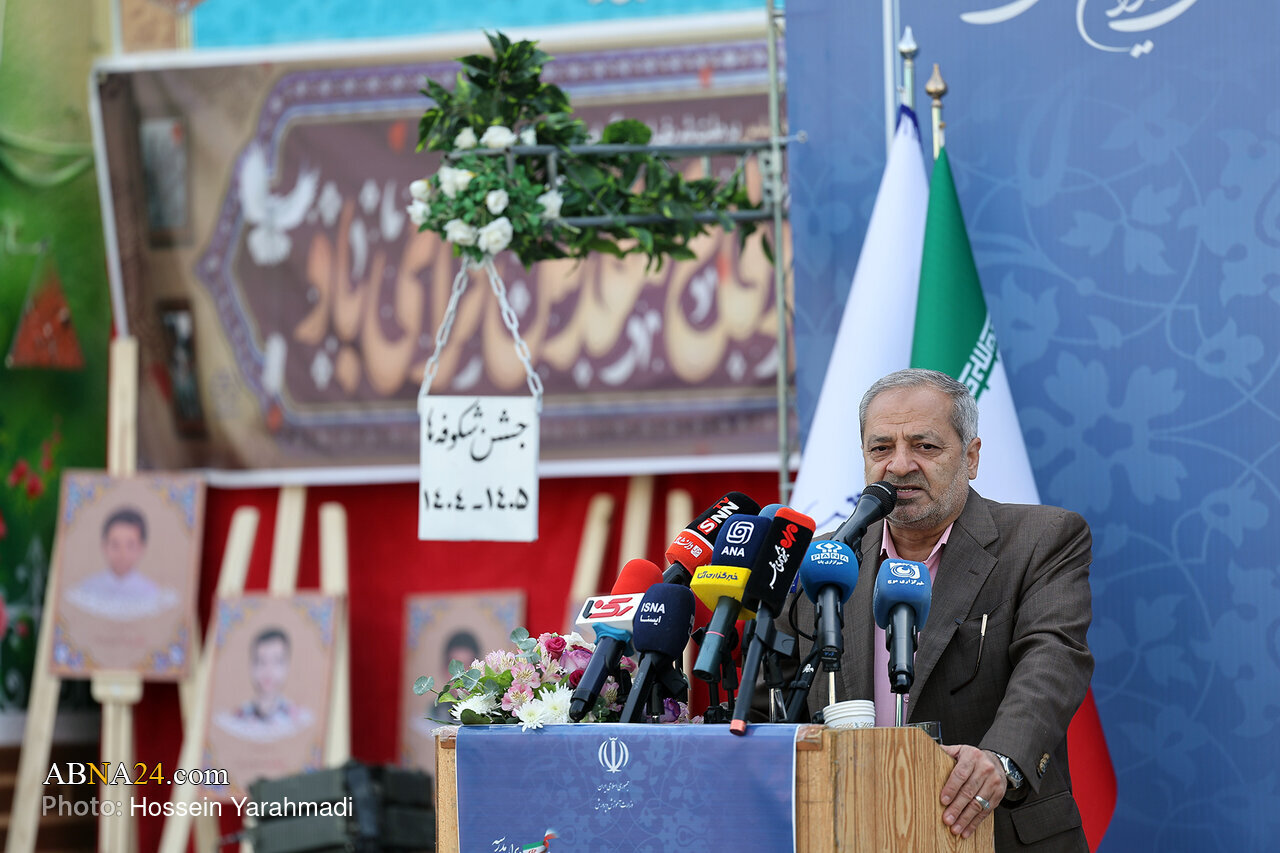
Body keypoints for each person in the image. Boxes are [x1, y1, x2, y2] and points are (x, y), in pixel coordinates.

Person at [787, 368, 1093, 852]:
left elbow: (1052, 660)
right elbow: (775, 700)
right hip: (850, 832)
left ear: (970, 457)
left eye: (925, 446)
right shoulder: (825, 561)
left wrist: (999, 759)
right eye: (881, 448)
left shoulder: (1041, 539)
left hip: (989, 830)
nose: (899, 465)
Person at [64, 507, 179, 621]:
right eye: (115, 544)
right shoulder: (88, 588)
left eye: (130, 545)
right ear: (104, 546)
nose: (122, 554)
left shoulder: (151, 592)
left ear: (141, 548)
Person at [215, 627, 314, 742]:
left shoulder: (300, 720)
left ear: (287, 666)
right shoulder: (236, 719)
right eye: (261, 661)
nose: (268, 671)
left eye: (277, 662)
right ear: (251, 666)